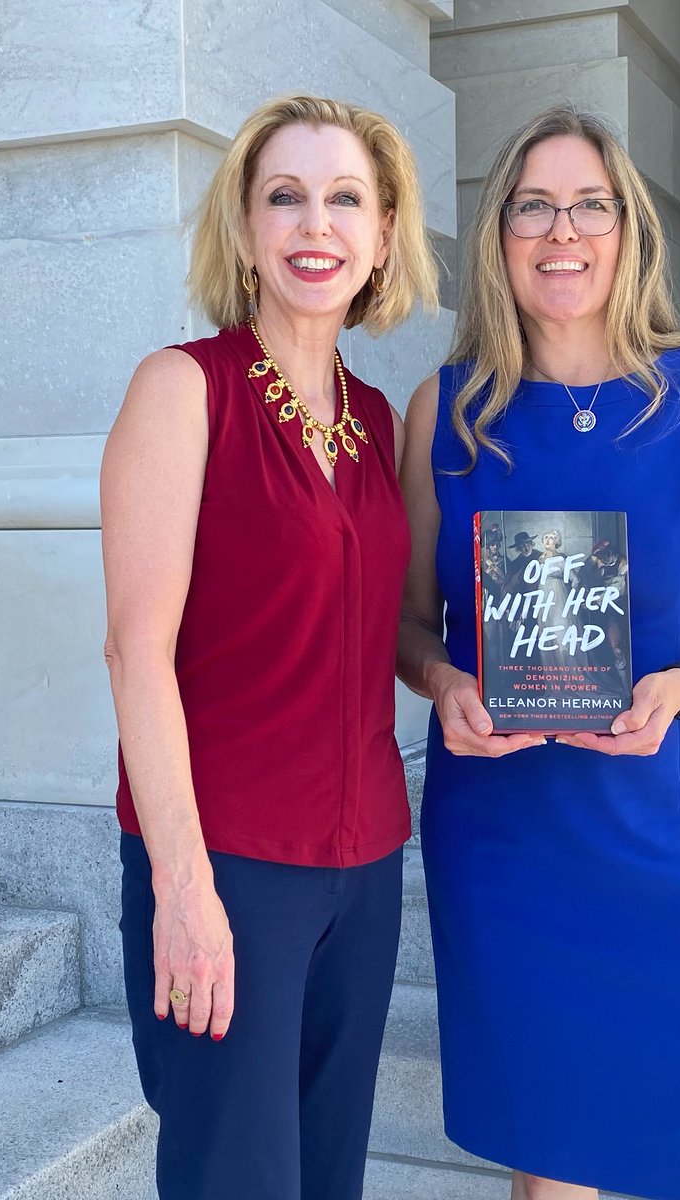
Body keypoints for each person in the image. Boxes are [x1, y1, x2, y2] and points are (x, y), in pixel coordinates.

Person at [397, 104, 680, 1200]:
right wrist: (443, 683)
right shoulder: (444, 412)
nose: (563, 231)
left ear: (630, 230)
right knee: (553, 1170)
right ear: (498, 235)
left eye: (592, 204)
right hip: (511, 835)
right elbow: (405, 624)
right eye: (533, 205)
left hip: (679, 830)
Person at [101, 93, 437, 1200]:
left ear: (384, 236)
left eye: (346, 199)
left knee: (327, 1177)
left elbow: (373, 625)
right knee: (234, 1179)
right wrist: (183, 888)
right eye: (283, 196)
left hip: (367, 864)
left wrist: (454, 683)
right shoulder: (183, 389)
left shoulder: (375, 418)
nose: (315, 224)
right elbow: (136, 653)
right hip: (230, 864)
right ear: (245, 228)